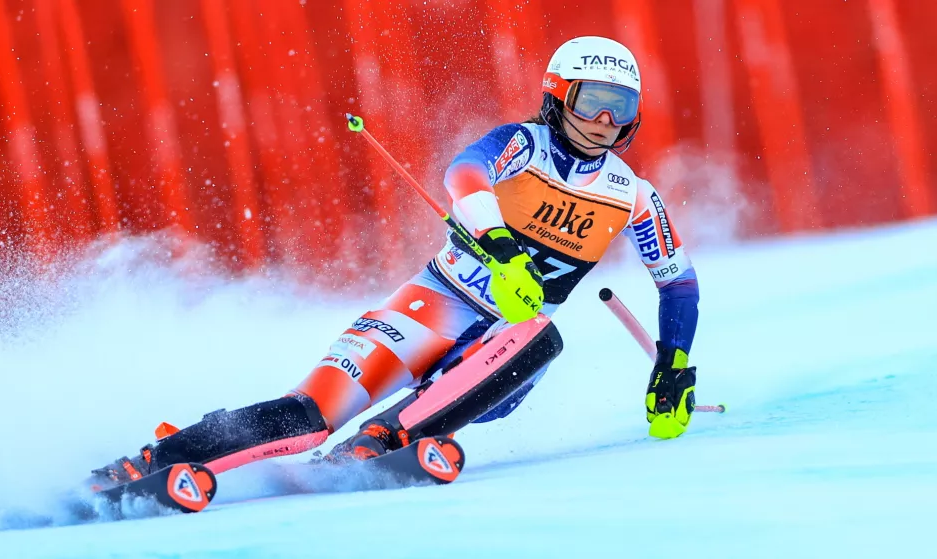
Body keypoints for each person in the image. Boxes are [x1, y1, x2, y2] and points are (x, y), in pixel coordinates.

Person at [93, 36, 699, 485]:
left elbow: (678, 284)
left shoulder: (634, 196)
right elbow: (463, 174)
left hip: (508, 347)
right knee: (309, 413)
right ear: (558, 96)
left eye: (620, 107)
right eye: (593, 101)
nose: (603, 122)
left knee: (541, 334)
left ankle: (384, 438)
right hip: (435, 302)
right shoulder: (523, 144)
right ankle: (157, 459)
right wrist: (505, 252)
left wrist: (673, 365)